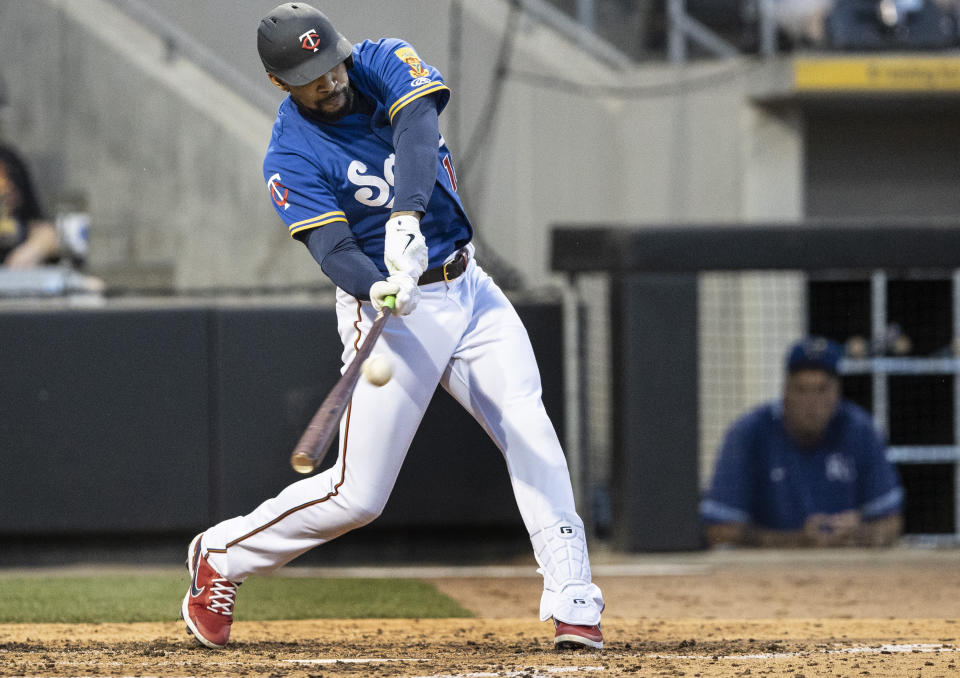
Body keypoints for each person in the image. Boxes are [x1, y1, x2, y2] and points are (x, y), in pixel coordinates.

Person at [180, 2, 603, 652]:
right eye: (312, 74)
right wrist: (371, 282)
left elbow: (416, 128)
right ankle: (221, 552)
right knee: (358, 497)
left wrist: (406, 215)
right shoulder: (289, 155)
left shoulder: (379, 59)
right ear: (282, 83)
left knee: (531, 431)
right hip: (394, 311)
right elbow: (332, 251)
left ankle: (575, 602)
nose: (331, 78)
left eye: (330, 61)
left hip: (469, 288)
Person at [700, 337, 904, 548]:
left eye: (822, 389)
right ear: (785, 390)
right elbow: (717, 530)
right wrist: (796, 540)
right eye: (802, 389)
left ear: (837, 392)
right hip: (769, 572)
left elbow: (892, 525)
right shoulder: (749, 433)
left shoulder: (860, 430)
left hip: (846, 570)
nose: (812, 403)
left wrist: (859, 533)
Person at [0, 144, 59, 268]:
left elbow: (44, 231)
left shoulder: (9, 158)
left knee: (92, 285)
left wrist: (33, 250)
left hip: (17, 272)